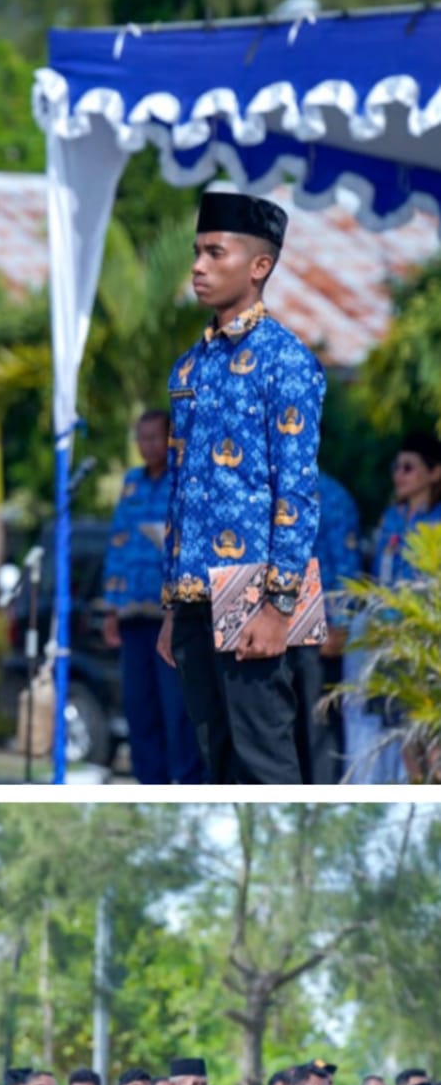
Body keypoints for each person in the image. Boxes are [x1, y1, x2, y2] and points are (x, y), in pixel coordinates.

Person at [157, 189, 327, 784]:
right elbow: (180, 491)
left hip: (254, 590)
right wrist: (173, 608)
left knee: (265, 761)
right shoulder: (189, 366)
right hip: (196, 595)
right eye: (197, 252)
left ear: (259, 267)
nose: (198, 266)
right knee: (217, 761)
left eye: (215, 253)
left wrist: (279, 606)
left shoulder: (286, 360)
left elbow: (298, 492)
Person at [102, 410, 204, 784]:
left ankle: (187, 785)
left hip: (173, 619)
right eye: (141, 438)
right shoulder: (132, 484)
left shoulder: (184, 480)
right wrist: (111, 609)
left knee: (176, 711)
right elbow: (116, 545)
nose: (147, 446)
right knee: (139, 709)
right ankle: (150, 785)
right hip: (132, 616)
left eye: (154, 438)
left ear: (170, 439)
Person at [344, 431, 441, 784]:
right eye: (396, 467)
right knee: (400, 733)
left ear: (435, 472)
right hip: (387, 635)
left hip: (427, 641)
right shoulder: (391, 519)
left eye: (409, 467)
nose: (398, 474)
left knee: (428, 734)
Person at [309, 467, 362, 779]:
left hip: (320, 626)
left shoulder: (332, 495)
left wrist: (339, 623)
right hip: (268, 627)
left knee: (320, 726)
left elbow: (346, 566)